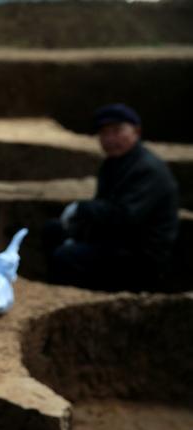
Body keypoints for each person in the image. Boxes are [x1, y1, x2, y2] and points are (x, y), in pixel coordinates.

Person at [44, 103, 179, 291]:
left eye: (117, 131)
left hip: (140, 254)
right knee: (53, 230)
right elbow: (107, 207)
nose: (110, 139)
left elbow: (125, 216)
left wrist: (82, 209)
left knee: (66, 256)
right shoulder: (114, 163)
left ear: (136, 131)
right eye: (104, 133)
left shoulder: (147, 169)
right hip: (117, 240)